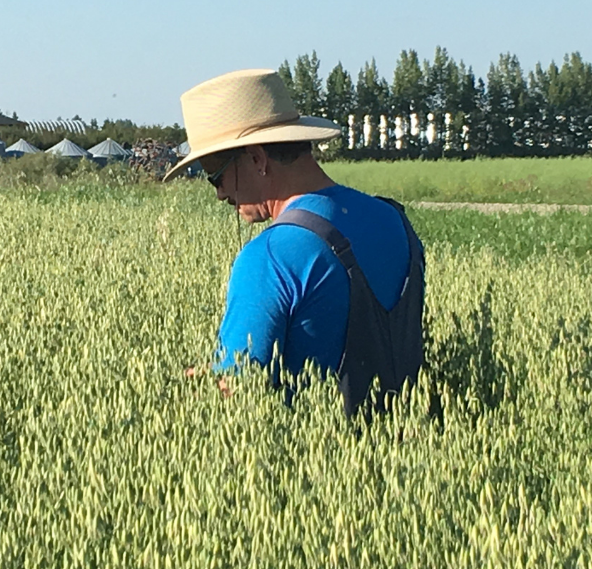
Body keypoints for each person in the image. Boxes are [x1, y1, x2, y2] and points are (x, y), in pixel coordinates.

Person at [167, 68, 425, 416]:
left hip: (313, 460)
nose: (220, 193)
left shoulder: (269, 258)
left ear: (257, 159)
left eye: (216, 175)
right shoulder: (395, 220)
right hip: (408, 451)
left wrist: (180, 386)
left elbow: (238, 391)